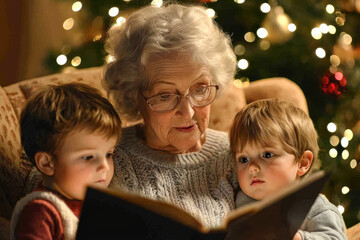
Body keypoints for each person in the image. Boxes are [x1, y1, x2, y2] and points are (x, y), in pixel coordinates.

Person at [103, 3, 308, 228]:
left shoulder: (241, 155)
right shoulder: (104, 159)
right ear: (134, 95)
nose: (188, 111)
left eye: (200, 89)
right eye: (165, 95)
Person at [10, 83, 122, 240]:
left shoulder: (96, 207)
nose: (104, 166)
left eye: (109, 154)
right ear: (47, 163)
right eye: (88, 157)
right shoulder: (41, 212)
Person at [229, 99, 347, 240]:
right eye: (243, 159)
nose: (252, 168)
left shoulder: (314, 207)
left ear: (302, 163)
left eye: (267, 155)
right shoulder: (237, 201)